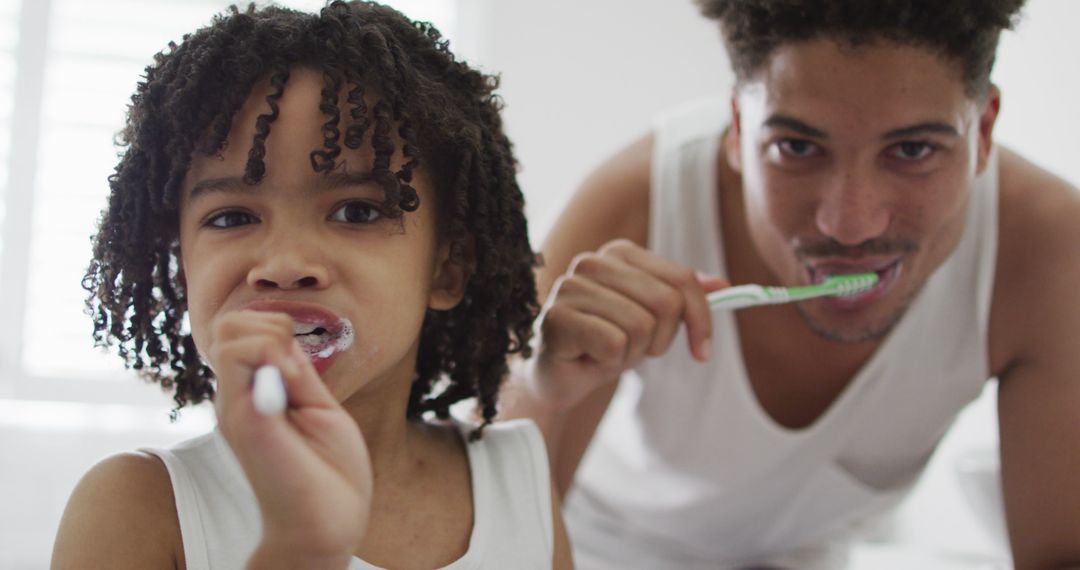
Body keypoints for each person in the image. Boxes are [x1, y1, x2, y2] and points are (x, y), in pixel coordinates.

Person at [501, 0, 1080, 568]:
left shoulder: (1047, 250)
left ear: (982, 131)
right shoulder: (638, 204)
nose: (850, 224)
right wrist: (538, 388)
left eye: (913, 150)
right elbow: (492, 529)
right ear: (735, 128)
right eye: (797, 148)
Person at [50, 2, 572, 568]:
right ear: (182, 265)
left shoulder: (518, 475)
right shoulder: (138, 505)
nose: (285, 263)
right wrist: (299, 548)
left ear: (448, 269)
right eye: (230, 218)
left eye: (356, 212)